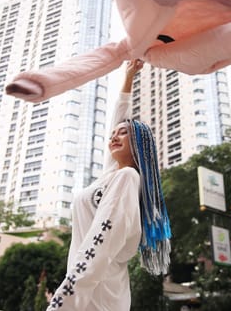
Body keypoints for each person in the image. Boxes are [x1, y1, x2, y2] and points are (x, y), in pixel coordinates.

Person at [46, 59, 171, 311]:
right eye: (113, 133)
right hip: (88, 288)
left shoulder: (127, 178)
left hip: (98, 293)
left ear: (138, 145)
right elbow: (119, 115)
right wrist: (128, 76)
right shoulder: (111, 176)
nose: (114, 135)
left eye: (123, 133)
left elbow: (101, 241)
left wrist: (65, 298)